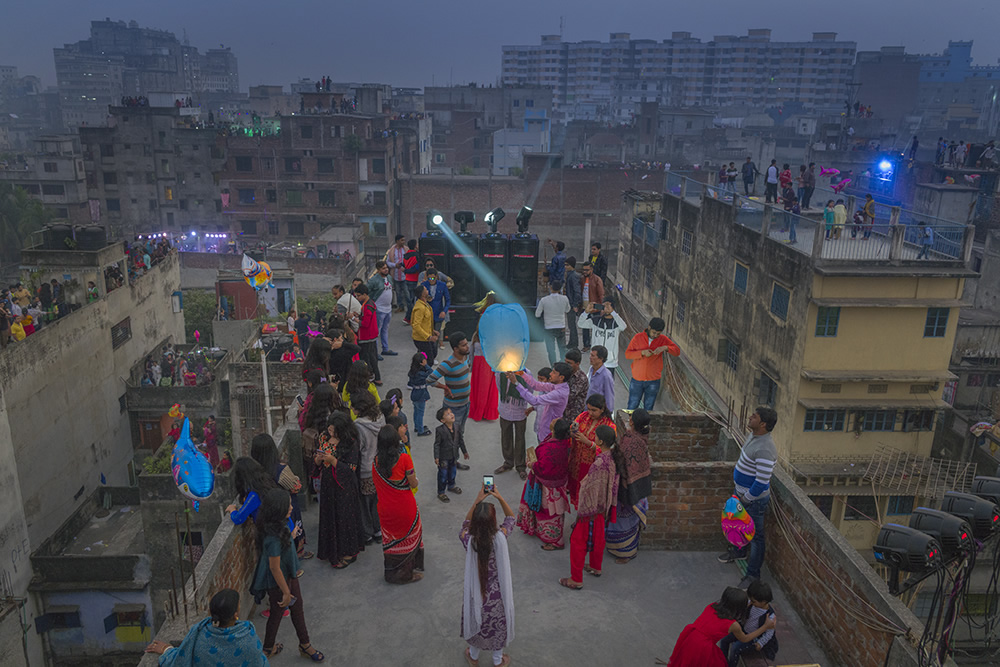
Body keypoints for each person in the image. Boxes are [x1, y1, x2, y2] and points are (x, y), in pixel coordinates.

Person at [249, 488, 324, 661]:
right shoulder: (274, 536)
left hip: (288, 575)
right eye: (288, 505)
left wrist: (290, 536)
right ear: (278, 508)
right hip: (279, 581)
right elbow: (274, 567)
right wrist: (285, 591)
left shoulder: (277, 526)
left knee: (296, 608)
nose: (291, 507)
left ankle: (304, 644)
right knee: (277, 612)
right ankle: (268, 648)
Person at [718, 407, 778, 589]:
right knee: (738, 525)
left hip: (753, 500)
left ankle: (752, 575)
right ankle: (739, 551)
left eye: (754, 417)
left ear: (763, 424)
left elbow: (761, 482)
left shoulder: (766, 449)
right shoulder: (754, 436)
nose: (750, 417)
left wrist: (746, 498)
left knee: (757, 537)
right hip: (741, 494)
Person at [460, 487, 516, 667]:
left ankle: (473, 657)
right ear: (494, 522)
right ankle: (498, 661)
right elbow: (511, 518)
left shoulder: (468, 539)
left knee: (476, 623)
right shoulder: (500, 537)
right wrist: (499, 497)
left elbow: (465, 523)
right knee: (497, 626)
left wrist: (477, 500)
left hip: (476, 593)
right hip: (496, 597)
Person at [560, 424, 618, 590]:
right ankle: (595, 566)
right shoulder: (612, 457)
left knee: (578, 542)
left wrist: (582, 509)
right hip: (602, 506)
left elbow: (589, 487)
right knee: (599, 538)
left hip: (590, 508)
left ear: (600, 440)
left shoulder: (599, 463)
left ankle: (576, 579)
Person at [144, 589, 268, 666]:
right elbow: (259, 662)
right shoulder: (249, 640)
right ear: (236, 614)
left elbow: (182, 659)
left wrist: (167, 649)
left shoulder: (199, 637)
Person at [666, 587, 775, 666]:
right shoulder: (733, 625)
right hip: (703, 647)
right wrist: (765, 627)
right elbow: (745, 638)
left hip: (690, 637)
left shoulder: (712, 606)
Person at [373, 425, 424, 583]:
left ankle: (393, 572)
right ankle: (406, 574)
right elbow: (413, 483)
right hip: (405, 508)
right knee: (411, 535)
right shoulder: (404, 459)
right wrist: (416, 481)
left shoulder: (375, 463)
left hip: (385, 510)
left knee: (391, 541)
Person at [314, 411, 364, 570]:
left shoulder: (351, 443)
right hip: (328, 485)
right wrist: (318, 460)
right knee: (331, 517)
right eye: (329, 429)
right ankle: (332, 550)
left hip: (344, 488)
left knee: (344, 519)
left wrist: (333, 461)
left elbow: (351, 469)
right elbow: (318, 460)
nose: (330, 433)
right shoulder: (324, 438)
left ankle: (349, 552)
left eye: (333, 431)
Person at [251, 433, 312, 561]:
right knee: (293, 529)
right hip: (286, 505)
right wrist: (296, 480)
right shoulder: (280, 469)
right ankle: (296, 556)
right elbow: (296, 487)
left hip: (269, 510)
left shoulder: (256, 473)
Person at [516, 418, 572, 550]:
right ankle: (551, 536)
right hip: (559, 485)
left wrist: (531, 464)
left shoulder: (549, 448)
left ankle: (554, 541)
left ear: (554, 431)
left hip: (547, 488)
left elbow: (542, 467)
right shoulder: (566, 443)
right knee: (554, 512)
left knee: (547, 511)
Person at [606, 409, 652, 563]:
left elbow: (625, 463)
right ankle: (622, 549)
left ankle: (626, 553)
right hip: (636, 487)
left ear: (632, 422)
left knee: (625, 521)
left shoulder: (631, 441)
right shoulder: (640, 437)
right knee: (628, 520)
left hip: (627, 488)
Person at [427, 332, 473, 469]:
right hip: (454, 407)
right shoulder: (447, 364)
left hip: (465, 404)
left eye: (466, 343)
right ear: (455, 348)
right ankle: (451, 463)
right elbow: (430, 379)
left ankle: (454, 460)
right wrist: (444, 387)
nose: (467, 346)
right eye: (463, 345)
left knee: (459, 434)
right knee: (451, 437)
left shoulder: (465, 358)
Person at [569, 394, 616, 506]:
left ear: (602, 409)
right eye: (589, 409)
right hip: (577, 461)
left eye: (594, 410)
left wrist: (589, 444)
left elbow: (610, 450)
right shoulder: (583, 416)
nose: (590, 413)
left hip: (592, 465)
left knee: (587, 493)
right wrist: (572, 432)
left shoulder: (609, 426)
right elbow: (572, 428)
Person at [624, 317, 680, 410]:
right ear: (649, 328)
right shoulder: (638, 337)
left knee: (649, 407)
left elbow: (677, 351)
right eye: (654, 332)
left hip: (653, 380)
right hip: (637, 379)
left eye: (658, 334)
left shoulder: (663, 339)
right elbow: (628, 354)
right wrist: (642, 353)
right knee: (632, 405)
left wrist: (665, 347)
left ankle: (645, 425)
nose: (655, 335)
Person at [508, 362, 571, 444]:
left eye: (554, 372)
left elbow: (534, 401)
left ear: (561, 377)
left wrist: (516, 383)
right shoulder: (557, 386)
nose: (550, 374)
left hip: (548, 433)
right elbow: (536, 385)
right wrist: (522, 373)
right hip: (544, 428)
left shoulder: (559, 393)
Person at [719, 580, 778, 667]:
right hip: (744, 630)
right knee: (724, 639)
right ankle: (722, 661)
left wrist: (760, 643)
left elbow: (769, 633)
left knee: (736, 648)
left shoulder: (770, 617)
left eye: (753, 601)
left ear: (764, 601)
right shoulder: (751, 605)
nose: (751, 602)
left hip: (754, 638)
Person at [352, 391, 385, 545]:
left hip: (365, 470)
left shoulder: (358, 426)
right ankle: (378, 531)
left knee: (364, 504)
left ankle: (368, 533)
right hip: (379, 467)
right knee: (377, 502)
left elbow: (358, 449)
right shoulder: (380, 419)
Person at [494, 367, 529, 480]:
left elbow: (529, 392)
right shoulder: (500, 373)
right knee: (506, 436)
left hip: (520, 410)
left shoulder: (526, 373)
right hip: (505, 409)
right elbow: (500, 388)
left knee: (520, 438)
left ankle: (520, 466)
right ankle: (508, 462)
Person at [577, 300, 625, 368]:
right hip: (595, 361)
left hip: (610, 363)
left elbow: (623, 327)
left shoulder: (616, 323)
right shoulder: (596, 320)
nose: (604, 309)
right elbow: (580, 324)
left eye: (607, 307)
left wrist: (613, 313)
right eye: (603, 307)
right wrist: (586, 312)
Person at [434, 407, 468, 502]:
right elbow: (437, 444)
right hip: (443, 457)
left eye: (451, 412)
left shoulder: (457, 427)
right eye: (448, 414)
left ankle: (451, 486)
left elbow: (460, 441)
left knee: (453, 471)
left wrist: (464, 451)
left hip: (453, 456)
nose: (452, 414)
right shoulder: (440, 430)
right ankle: (441, 492)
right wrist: (436, 456)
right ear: (442, 420)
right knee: (443, 474)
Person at [366, 260, 397, 357]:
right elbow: (367, 292)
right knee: (377, 331)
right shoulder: (373, 280)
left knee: (385, 329)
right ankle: (375, 352)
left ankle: (385, 349)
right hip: (378, 309)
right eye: (383, 268)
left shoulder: (389, 278)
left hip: (388, 308)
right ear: (378, 270)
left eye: (386, 268)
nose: (386, 269)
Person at [536, 280, 570, 365]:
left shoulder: (544, 300)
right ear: (560, 288)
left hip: (549, 327)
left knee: (551, 350)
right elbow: (568, 309)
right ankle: (562, 365)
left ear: (550, 287)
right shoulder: (564, 298)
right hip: (561, 326)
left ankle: (553, 367)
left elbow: (537, 314)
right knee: (562, 348)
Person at [352, 284, 381, 385]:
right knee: (372, 356)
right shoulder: (369, 303)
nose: (357, 297)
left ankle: (373, 376)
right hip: (371, 335)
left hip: (367, 336)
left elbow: (365, 323)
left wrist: (354, 318)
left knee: (368, 357)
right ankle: (375, 376)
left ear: (364, 294)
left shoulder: (367, 306)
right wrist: (358, 315)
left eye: (359, 295)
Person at [410, 284, 439, 364]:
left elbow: (425, 322)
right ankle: (423, 374)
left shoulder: (425, 304)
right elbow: (416, 325)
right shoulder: (420, 308)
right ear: (422, 294)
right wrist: (428, 337)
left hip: (426, 337)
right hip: (421, 339)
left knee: (431, 354)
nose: (427, 290)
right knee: (428, 360)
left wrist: (432, 331)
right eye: (426, 289)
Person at [422, 269, 451, 350]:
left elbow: (448, 300)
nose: (431, 280)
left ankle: (434, 353)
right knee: (427, 335)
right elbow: (418, 299)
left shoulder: (442, 285)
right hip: (427, 314)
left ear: (436, 277)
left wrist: (444, 311)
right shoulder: (424, 285)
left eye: (433, 278)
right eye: (429, 279)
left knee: (436, 335)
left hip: (438, 313)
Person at [578, 262, 605, 349]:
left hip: (595, 308)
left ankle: (595, 346)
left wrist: (602, 308)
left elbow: (601, 295)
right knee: (584, 328)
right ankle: (586, 345)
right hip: (585, 308)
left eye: (587, 270)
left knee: (595, 328)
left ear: (591, 270)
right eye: (584, 270)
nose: (585, 272)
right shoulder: (582, 279)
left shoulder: (597, 280)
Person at [408, 352, 434, 436]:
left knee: (416, 411)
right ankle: (420, 430)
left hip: (414, 393)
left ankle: (417, 426)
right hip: (421, 394)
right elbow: (431, 372)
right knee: (420, 413)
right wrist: (426, 365)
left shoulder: (413, 372)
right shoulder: (421, 374)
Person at [562, 348, 590, 420]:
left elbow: (569, 396)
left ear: (577, 364)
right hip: (563, 413)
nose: (566, 365)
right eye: (565, 362)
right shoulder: (566, 373)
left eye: (569, 363)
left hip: (573, 417)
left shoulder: (581, 378)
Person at [587, 345, 616, 411]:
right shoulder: (591, 370)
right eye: (590, 355)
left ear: (601, 358)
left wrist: (608, 413)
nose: (590, 357)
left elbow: (609, 396)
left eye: (593, 356)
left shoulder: (606, 375)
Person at [386, 234, 409, 313]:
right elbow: (388, 262)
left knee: (407, 292)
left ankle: (410, 307)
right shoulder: (392, 250)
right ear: (397, 241)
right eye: (402, 240)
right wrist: (394, 265)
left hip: (405, 275)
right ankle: (401, 306)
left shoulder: (406, 249)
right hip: (395, 275)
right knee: (398, 292)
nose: (403, 242)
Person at [564, 257, 583, 349]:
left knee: (572, 324)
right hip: (570, 303)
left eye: (567, 265)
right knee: (571, 324)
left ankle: (574, 343)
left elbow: (577, 291)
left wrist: (575, 304)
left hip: (572, 304)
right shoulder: (570, 275)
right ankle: (572, 342)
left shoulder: (573, 276)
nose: (565, 267)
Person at [402, 239, 421, 323]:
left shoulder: (405, 255)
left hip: (407, 279)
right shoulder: (416, 255)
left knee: (410, 299)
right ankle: (409, 318)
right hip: (415, 279)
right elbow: (416, 267)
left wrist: (405, 270)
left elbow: (404, 265)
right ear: (415, 246)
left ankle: (408, 317)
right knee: (414, 300)